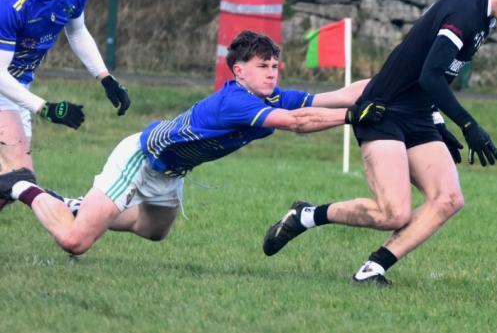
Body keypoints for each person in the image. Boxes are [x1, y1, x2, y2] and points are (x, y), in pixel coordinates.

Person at [263, 0, 497, 285]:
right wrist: (468, 124)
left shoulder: (486, 16)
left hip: (417, 113)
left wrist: (439, 125)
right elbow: (431, 75)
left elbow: (433, 77)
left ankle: (374, 268)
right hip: (384, 110)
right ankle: (306, 216)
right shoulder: (465, 11)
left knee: (448, 198)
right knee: (393, 213)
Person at [0, 30, 383, 255]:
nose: (271, 73)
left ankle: (77, 205)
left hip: (171, 173)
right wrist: (354, 116)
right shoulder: (233, 100)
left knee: (152, 231)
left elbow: (339, 94)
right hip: (142, 158)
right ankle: (20, 186)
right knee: (74, 241)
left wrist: (394, 84)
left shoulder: (272, 95)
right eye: (262, 66)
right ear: (238, 71)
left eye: (273, 65)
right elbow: (299, 123)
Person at [0, 0, 130, 212]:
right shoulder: (13, 5)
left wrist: (105, 78)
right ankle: (69, 208)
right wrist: (44, 108)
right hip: (4, 86)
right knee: (20, 175)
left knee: (10, 186)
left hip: (18, 87)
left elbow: (77, 31)